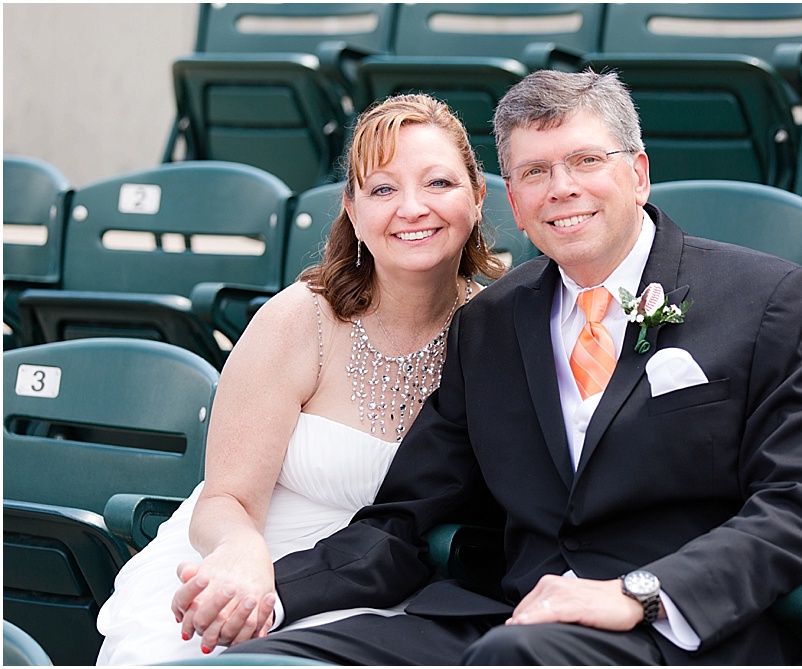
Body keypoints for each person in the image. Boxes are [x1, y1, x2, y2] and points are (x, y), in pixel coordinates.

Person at [173, 68, 802, 665]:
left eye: (586, 160)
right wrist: (265, 595)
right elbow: (401, 524)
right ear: (515, 207)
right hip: (505, 618)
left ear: (639, 170)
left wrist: (638, 593)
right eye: (534, 171)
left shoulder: (767, 299)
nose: (561, 188)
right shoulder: (492, 323)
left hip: (676, 632)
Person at [94, 93, 505, 664]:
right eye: (383, 189)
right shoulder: (299, 319)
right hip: (247, 560)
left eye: (439, 184)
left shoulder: (497, 332)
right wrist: (241, 556)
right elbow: (226, 499)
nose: (413, 208)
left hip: (380, 591)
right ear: (353, 210)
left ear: (478, 197)